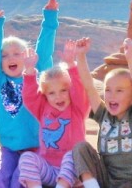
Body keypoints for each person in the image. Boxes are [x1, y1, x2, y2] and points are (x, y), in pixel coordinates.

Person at [0, 0, 60, 188]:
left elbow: (43, 53)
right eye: (5, 55)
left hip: (36, 148)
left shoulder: (36, 76)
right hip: (8, 149)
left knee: (20, 178)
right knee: (2, 176)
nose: (11, 57)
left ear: (26, 56)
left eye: (17, 53)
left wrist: (50, 19)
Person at [70, 38, 132, 188]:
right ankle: (91, 185)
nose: (112, 95)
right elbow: (89, 86)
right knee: (80, 148)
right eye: (108, 90)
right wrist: (81, 56)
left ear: (131, 99)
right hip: (106, 178)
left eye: (119, 91)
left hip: (131, 182)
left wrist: (130, 57)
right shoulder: (103, 114)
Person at [17, 39, 90, 188]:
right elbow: (30, 96)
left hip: (73, 173)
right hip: (49, 170)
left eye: (63, 90)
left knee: (73, 154)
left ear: (70, 91)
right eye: (52, 93)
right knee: (26, 157)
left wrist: (71, 64)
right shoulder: (42, 108)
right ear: (45, 95)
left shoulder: (77, 109)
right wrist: (29, 71)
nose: (58, 97)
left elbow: (80, 88)